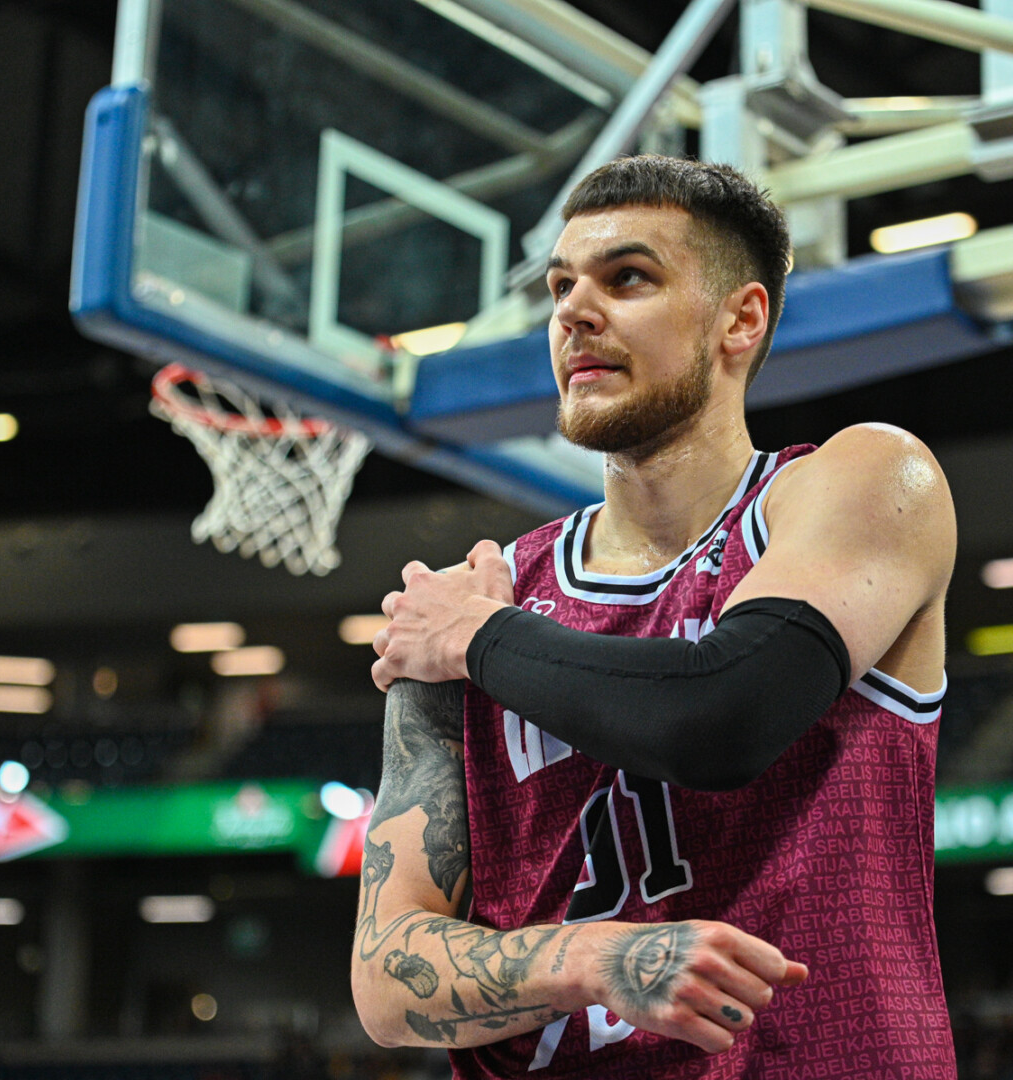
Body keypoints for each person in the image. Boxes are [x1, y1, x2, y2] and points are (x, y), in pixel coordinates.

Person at [351, 154, 957, 1080]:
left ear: (740, 319)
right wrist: (597, 959)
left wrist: (476, 639)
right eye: (561, 286)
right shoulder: (485, 588)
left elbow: (722, 716)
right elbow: (387, 982)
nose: (573, 312)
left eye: (627, 278)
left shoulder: (864, 482)